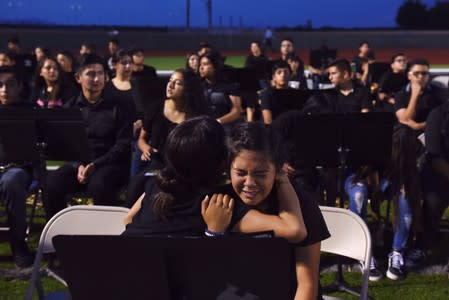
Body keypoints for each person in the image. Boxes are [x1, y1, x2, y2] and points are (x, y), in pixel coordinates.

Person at [124, 117, 307, 246]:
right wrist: (281, 175)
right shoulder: (215, 201)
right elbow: (294, 230)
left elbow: (128, 219)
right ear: (220, 162)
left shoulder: (158, 184)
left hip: (126, 267)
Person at [203, 122, 329, 300]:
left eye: (261, 174)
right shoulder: (220, 204)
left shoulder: (301, 204)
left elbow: (307, 283)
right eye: (240, 173)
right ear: (228, 169)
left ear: (277, 171)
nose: (249, 183)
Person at [45, 54, 132, 218]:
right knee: (52, 185)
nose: (97, 78)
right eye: (91, 74)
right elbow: (66, 145)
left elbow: (122, 144)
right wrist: (78, 165)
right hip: (78, 166)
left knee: (100, 185)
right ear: (78, 77)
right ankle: (58, 237)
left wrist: (95, 164)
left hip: (110, 164)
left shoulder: (120, 106)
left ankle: (102, 237)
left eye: (100, 74)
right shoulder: (70, 108)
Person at [125, 69, 210, 208]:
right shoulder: (156, 107)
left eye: (177, 83)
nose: (170, 85)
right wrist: (146, 148)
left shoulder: (196, 116)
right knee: (136, 187)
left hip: (183, 168)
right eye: (170, 81)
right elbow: (141, 139)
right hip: (158, 164)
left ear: (188, 89)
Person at [0, 66, 35, 268]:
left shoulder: (29, 111)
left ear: (20, 87)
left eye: (10, 84)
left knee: (12, 182)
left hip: (17, 170)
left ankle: (18, 245)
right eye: (0, 85)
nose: (4, 89)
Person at [199, 51, 243, 128]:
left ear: (216, 66)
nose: (201, 68)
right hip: (202, 128)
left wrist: (218, 122)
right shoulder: (198, 85)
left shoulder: (229, 85)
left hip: (225, 128)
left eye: (205, 64)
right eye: (200, 64)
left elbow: (236, 111)